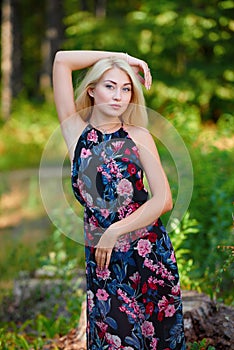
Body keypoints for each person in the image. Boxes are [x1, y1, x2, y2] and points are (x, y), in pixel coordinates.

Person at [53, 50, 186, 349]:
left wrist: (114, 230)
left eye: (126, 88)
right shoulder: (77, 134)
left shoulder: (139, 136)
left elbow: (163, 199)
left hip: (149, 256)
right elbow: (62, 60)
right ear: (92, 89)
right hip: (104, 262)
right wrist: (124, 58)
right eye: (110, 86)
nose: (118, 96)